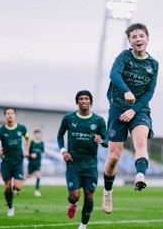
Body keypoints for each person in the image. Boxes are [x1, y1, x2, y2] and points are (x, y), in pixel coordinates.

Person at [102, 23, 159, 214]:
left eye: (141, 36)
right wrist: (126, 91)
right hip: (118, 107)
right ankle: (108, 191)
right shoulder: (124, 57)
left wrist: (134, 110)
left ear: (147, 39)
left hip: (140, 109)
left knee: (141, 141)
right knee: (114, 157)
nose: (138, 39)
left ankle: (140, 176)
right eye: (134, 37)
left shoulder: (153, 64)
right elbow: (114, 74)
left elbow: (150, 92)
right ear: (130, 41)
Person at [57, 90, 108, 229]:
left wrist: (101, 140)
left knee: (89, 196)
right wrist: (63, 151)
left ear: (90, 102)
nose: (84, 101)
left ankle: (83, 225)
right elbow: (60, 135)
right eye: (81, 98)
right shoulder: (69, 118)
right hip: (73, 164)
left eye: (86, 98)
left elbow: (108, 141)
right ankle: (72, 203)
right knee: (74, 196)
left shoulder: (98, 120)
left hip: (90, 165)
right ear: (77, 102)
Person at [0, 107, 30, 217]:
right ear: (5, 115)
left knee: (18, 186)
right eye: (8, 113)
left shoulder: (22, 128)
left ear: (14, 115)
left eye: (12, 113)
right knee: (8, 186)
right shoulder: (0, 131)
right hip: (6, 161)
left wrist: (27, 150)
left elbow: (28, 138)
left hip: (18, 160)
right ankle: (10, 207)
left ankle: (15, 191)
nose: (10, 115)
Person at [27, 129, 46, 197]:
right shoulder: (31, 142)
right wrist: (31, 155)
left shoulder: (41, 143)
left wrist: (44, 153)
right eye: (36, 134)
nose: (38, 135)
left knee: (38, 175)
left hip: (38, 162)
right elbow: (27, 153)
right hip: (31, 162)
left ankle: (37, 190)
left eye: (39, 134)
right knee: (28, 176)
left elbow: (43, 151)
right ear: (34, 134)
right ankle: (16, 188)